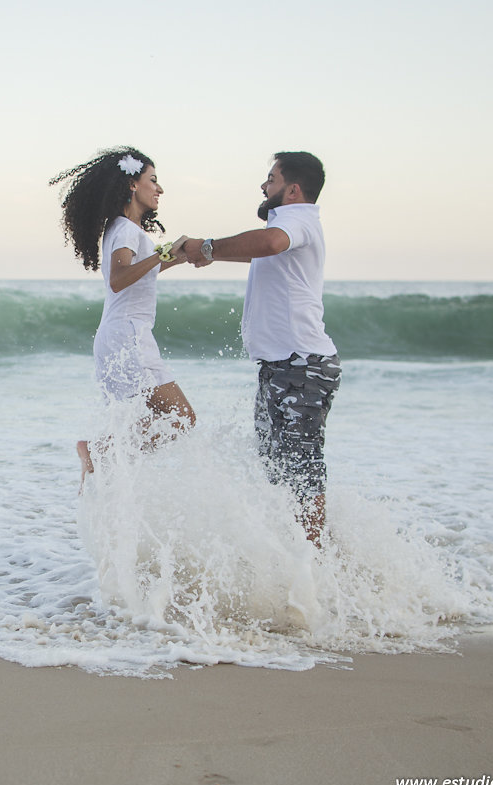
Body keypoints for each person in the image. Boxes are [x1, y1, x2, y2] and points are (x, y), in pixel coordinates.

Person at [179, 152, 339, 546]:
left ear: (293, 189)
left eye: (271, 179)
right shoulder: (289, 225)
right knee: (277, 468)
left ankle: (315, 565)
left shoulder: (296, 218)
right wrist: (206, 252)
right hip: (283, 366)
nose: (264, 186)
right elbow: (262, 246)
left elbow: (269, 242)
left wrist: (209, 247)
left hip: (301, 365)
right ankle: (298, 555)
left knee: (302, 471)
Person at [50, 147, 196, 485]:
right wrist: (163, 253)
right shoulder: (126, 230)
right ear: (132, 185)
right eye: (153, 181)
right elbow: (120, 279)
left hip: (117, 337)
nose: (159, 189)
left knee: (144, 421)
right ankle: (99, 452)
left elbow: (142, 270)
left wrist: (183, 253)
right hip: (129, 337)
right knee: (181, 418)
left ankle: (101, 480)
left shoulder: (122, 229)